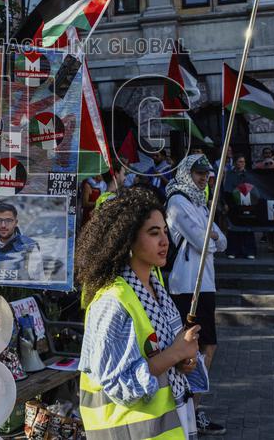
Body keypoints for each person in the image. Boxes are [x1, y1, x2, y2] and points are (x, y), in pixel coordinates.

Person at [77, 187, 202, 439]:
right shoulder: (113, 300)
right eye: (153, 233)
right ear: (128, 240)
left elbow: (159, 354)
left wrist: (182, 359)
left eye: (165, 232)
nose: (165, 241)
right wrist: (176, 352)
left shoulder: (155, 286)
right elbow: (118, 382)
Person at [164, 155, 227, 435]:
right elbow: (204, 242)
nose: (203, 179)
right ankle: (186, 410)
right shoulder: (177, 201)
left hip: (206, 283)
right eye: (199, 173)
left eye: (206, 175)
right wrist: (209, 237)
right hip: (187, 284)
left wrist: (211, 237)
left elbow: (222, 241)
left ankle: (193, 408)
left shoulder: (201, 203)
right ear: (187, 173)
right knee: (192, 349)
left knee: (207, 348)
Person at [224, 155, 256, 260]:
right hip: (233, 205)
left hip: (247, 205)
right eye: (239, 161)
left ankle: (249, 251)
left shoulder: (249, 175)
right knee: (233, 228)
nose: (241, 164)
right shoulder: (229, 174)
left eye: (243, 162)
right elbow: (225, 190)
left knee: (248, 228)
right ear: (235, 163)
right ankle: (233, 251)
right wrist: (225, 203)